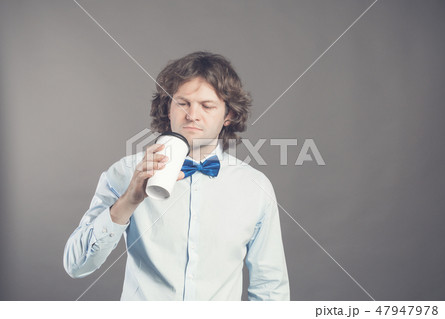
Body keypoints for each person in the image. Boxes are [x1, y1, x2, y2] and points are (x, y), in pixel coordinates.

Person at [63, 51, 290, 300]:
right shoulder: (125, 173)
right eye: (183, 103)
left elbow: (270, 288)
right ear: (168, 108)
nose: (192, 114)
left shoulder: (255, 187)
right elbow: (76, 265)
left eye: (206, 105)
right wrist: (128, 200)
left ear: (229, 115)